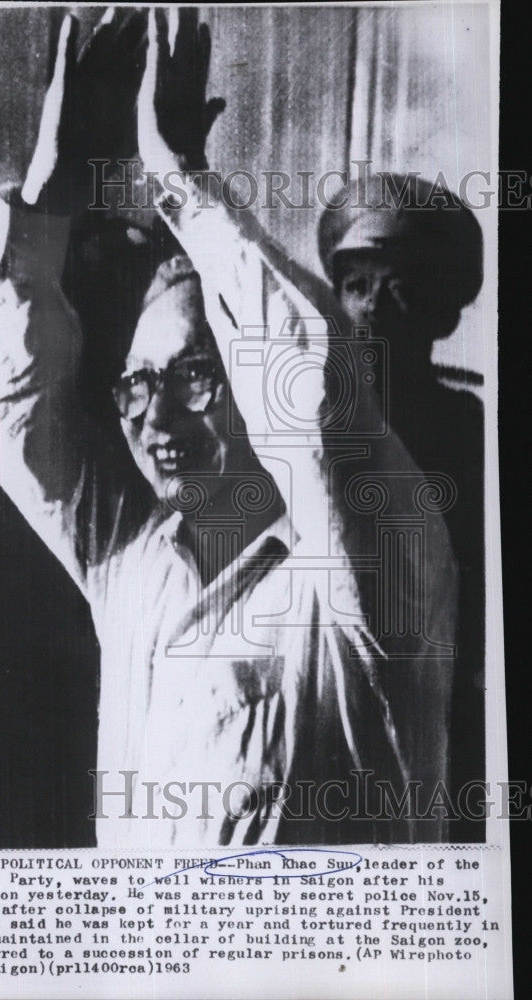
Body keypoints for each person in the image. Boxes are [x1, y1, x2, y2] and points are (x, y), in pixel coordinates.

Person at [0, 9, 458, 847]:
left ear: (253, 383)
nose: (154, 415)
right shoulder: (134, 563)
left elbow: (314, 396)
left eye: (192, 376)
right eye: (136, 385)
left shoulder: (366, 569)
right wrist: (47, 202)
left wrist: (179, 177)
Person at [318, 174, 485, 841]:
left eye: (401, 289)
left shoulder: (467, 434)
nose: (371, 311)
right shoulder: (304, 424)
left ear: (444, 314)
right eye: (356, 286)